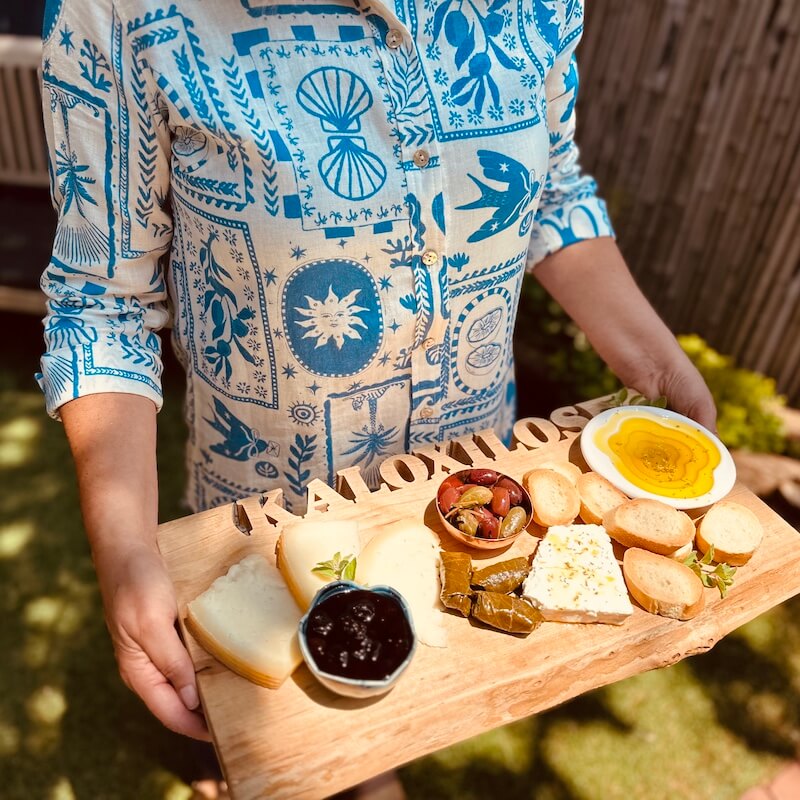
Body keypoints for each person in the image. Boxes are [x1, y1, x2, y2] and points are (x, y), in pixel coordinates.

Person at [39, 0, 716, 794]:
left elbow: (552, 192)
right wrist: (125, 551)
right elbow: (103, 301)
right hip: (262, 515)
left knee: (384, 691)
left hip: (463, 490)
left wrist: (655, 362)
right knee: (270, 733)